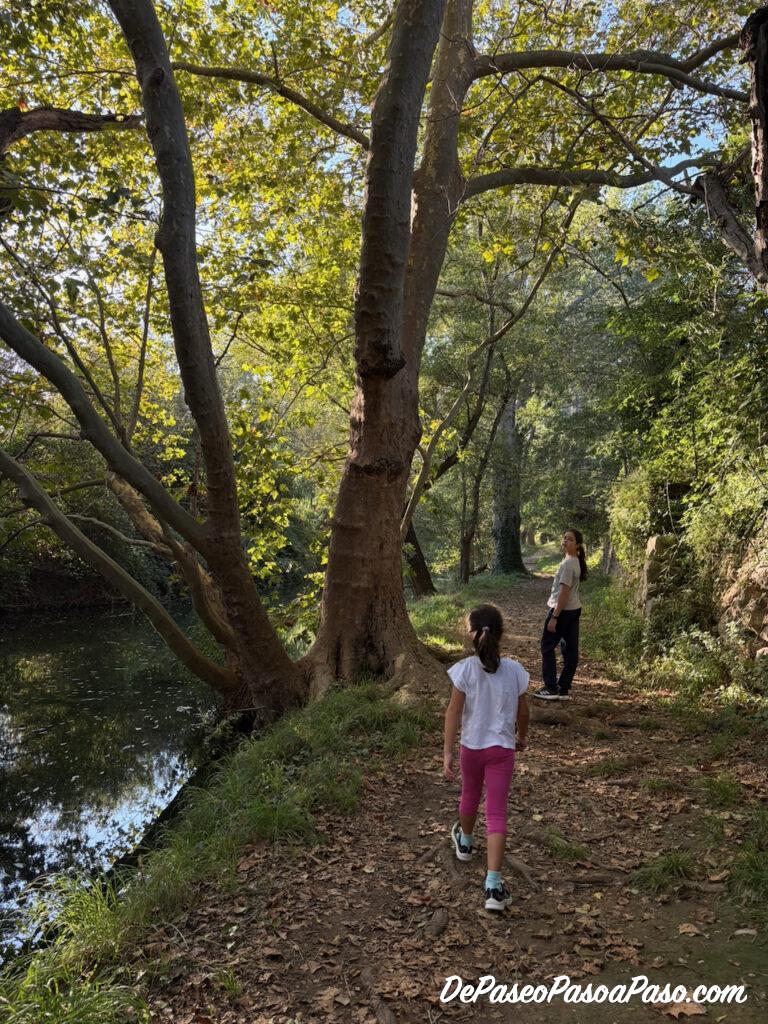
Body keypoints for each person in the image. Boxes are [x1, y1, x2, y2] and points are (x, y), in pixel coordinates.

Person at [443, 604, 529, 912]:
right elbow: (523, 712)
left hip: (471, 748)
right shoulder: (516, 671)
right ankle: (493, 886)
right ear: (501, 634)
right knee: (496, 813)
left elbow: (453, 712)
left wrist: (448, 752)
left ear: (470, 635)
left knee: (469, 794)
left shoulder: (464, 669)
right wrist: (521, 737)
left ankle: (465, 842)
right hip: (501, 751)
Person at [533, 528, 588, 702]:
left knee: (547, 647)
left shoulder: (568, 564)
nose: (565, 541)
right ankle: (563, 688)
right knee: (570, 650)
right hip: (574, 609)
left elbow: (564, 592)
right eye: (564, 538)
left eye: (570, 539)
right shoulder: (575, 561)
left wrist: (554, 617)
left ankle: (550, 688)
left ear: (577, 545)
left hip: (562, 610)